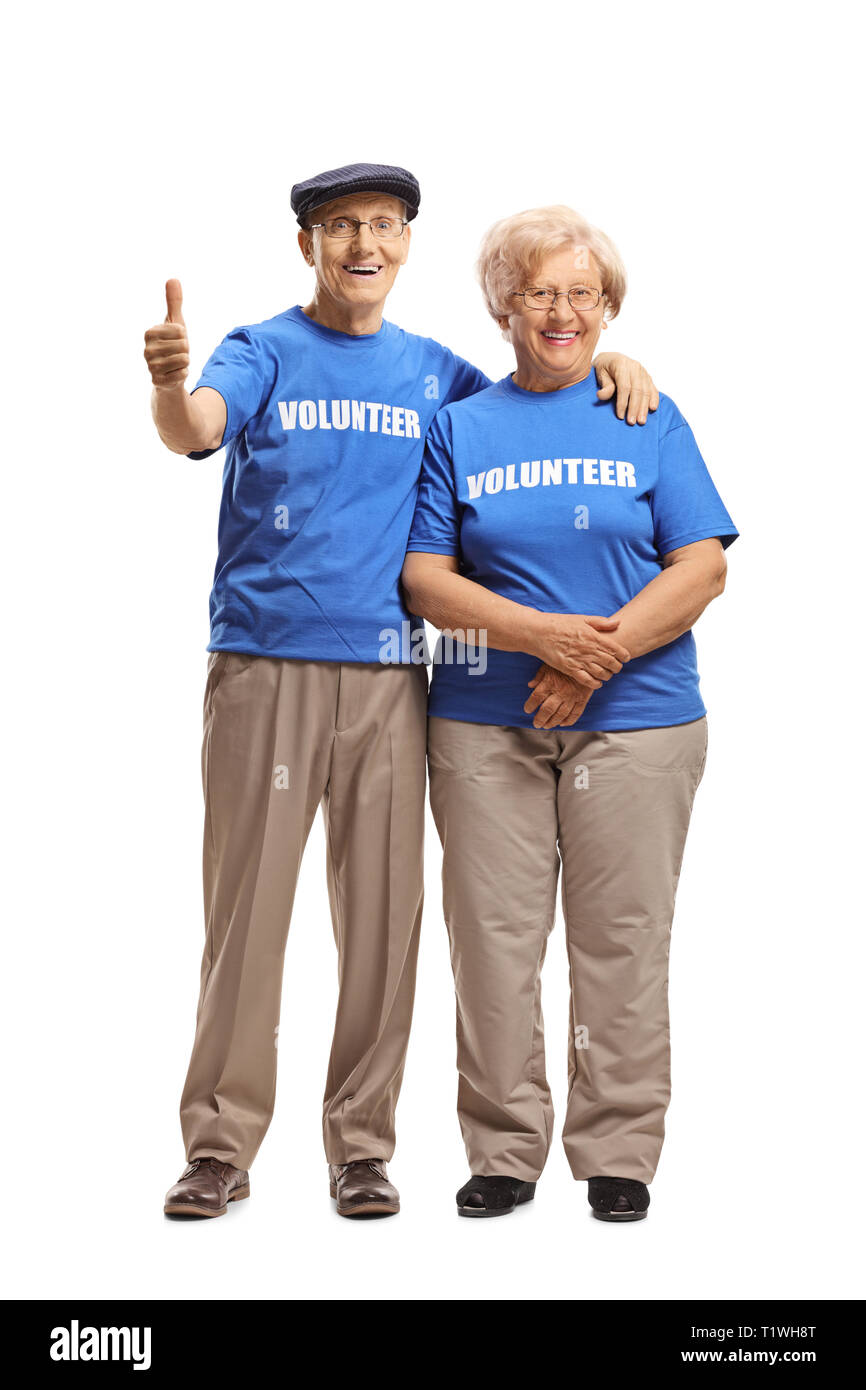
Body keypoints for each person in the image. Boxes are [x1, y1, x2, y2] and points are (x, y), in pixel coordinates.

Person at [143, 166, 656, 1219]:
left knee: (381, 924)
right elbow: (196, 427)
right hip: (263, 669)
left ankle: (361, 1147)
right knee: (246, 918)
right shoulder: (261, 350)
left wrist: (615, 361)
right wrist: (166, 384)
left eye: (382, 225)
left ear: (408, 244)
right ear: (307, 245)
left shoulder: (439, 376)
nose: (362, 244)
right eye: (339, 227)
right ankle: (219, 1146)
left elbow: (536, 392)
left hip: (394, 677)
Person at [402, 204, 738, 1221]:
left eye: (583, 295)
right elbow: (424, 581)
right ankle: (503, 1148)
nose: (562, 312)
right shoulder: (458, 427)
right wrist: (543, 639)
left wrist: (593, 660)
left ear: (607, 308)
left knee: (620, 937)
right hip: (480, 722)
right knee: (492, 938)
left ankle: (618, 1151)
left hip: (637, 719)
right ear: (504, 306)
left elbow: (702, 563)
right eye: (540, 293)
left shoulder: (645, 411)